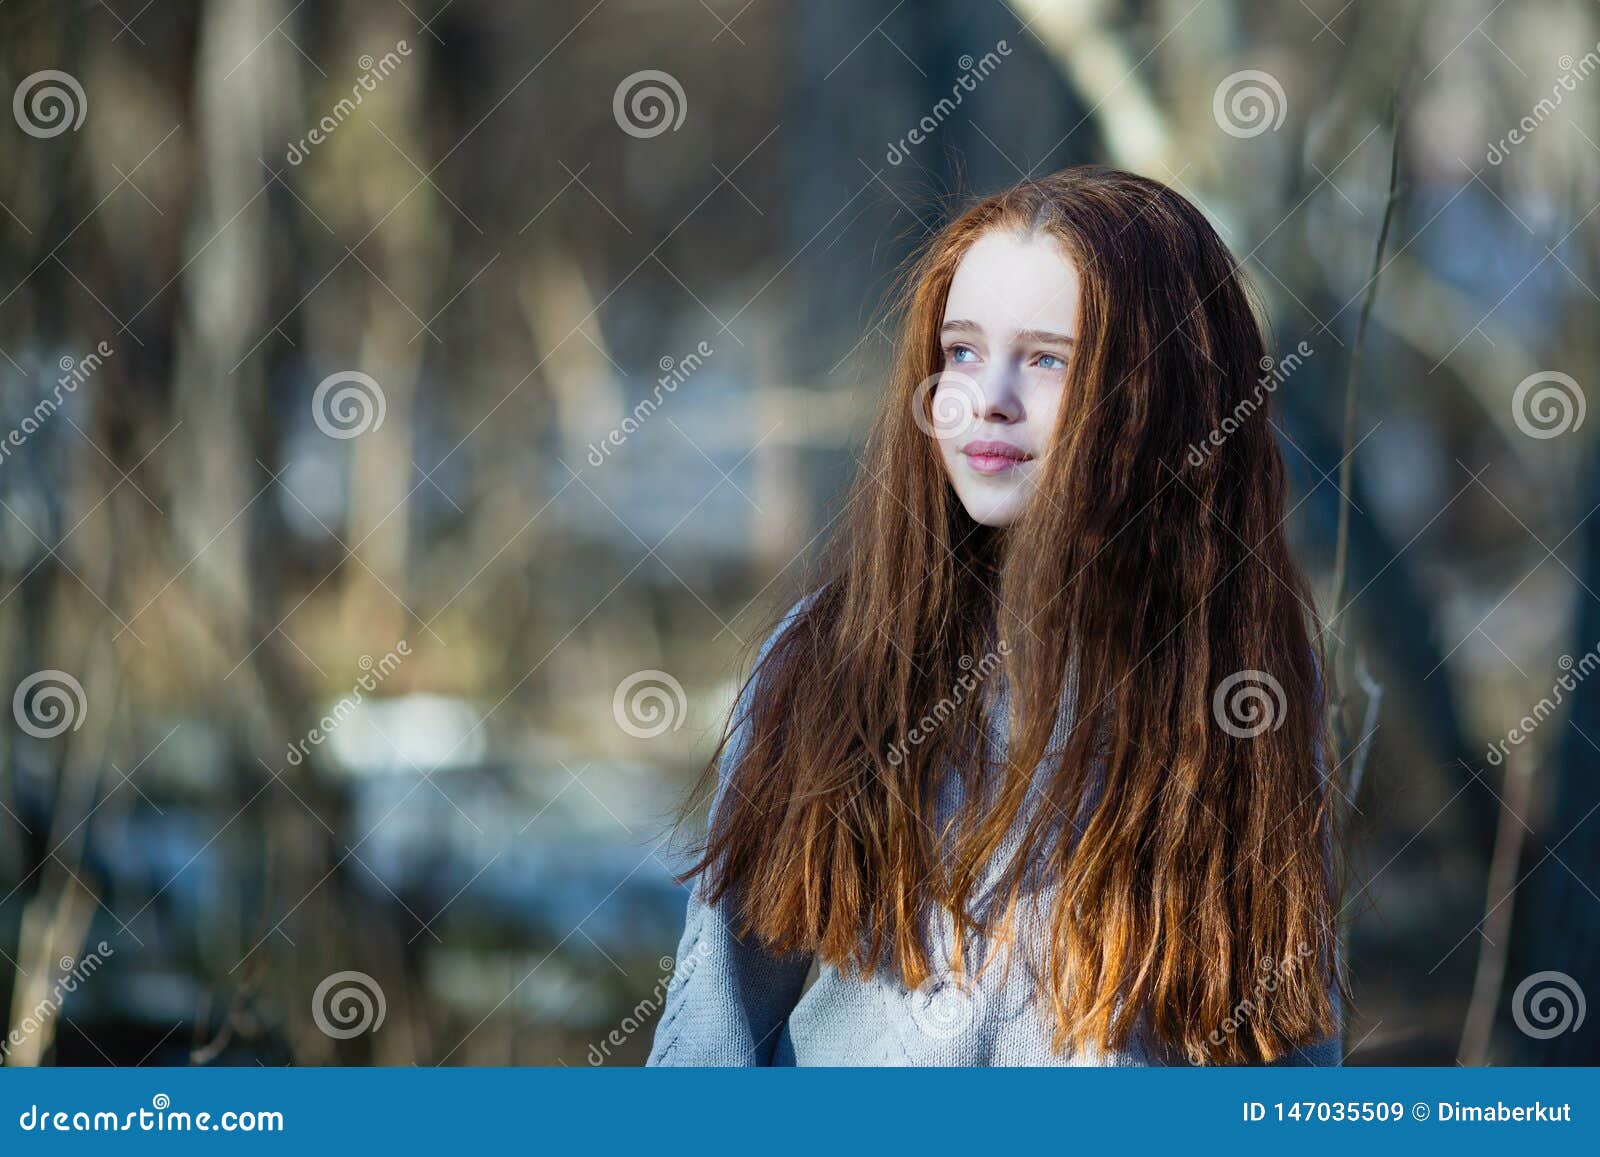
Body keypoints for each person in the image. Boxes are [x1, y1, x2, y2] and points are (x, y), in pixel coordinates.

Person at [648, 165, 1345, 1066]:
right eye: (964, 351)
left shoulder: (1241, 688)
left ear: (1160, 394)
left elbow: (1288, 1051)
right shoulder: (830, 658)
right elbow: (711, 1035)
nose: (989, 397)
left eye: (1048, 359)